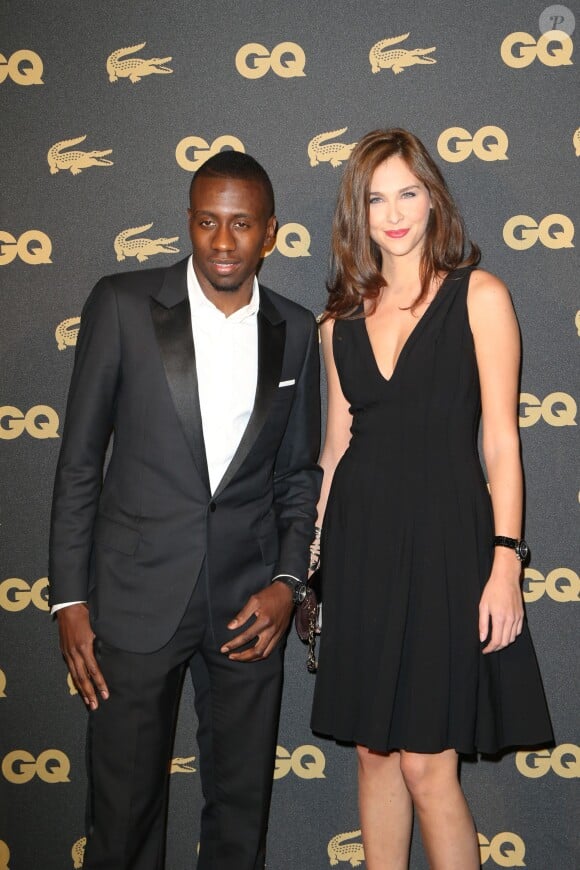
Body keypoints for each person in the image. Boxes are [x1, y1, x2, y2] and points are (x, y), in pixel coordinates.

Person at [49, 150, 321, 870]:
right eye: (207, 222)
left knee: (240, 816)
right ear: (189, 224)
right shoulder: (121, 304)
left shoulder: (296, 329)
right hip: (135, 599)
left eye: (240, 225)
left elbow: (298, 478)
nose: (222, 242)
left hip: (248, 608)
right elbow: (79, 463)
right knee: (123, 814)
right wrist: (70, 599)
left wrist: (288, 586)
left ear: (269, 233)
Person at [310, 129, 553, 869]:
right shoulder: (337, 321)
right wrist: (313, 567)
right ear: (358, 210)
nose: (394, 213)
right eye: (376, 197)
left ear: (433, 198)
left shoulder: (480, 296)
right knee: (374, 759)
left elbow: (502, 443)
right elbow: (333, 452)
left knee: (427, 766)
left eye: (407, 193)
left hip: (448, 549)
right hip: (360, 555)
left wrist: (505, 563)